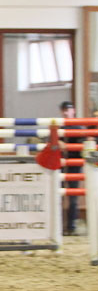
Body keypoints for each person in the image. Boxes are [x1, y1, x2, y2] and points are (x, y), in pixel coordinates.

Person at [60, 101, 82, 235]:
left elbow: (81, 145)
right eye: (63, 110)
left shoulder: (78, 127)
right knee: (58, 196)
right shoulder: (59, 127)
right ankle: (61, 226)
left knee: (73, 197)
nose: (65, 112)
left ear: (73, 111)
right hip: (61, 164)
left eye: (67, 110)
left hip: (73, 164)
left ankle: (71, 226)